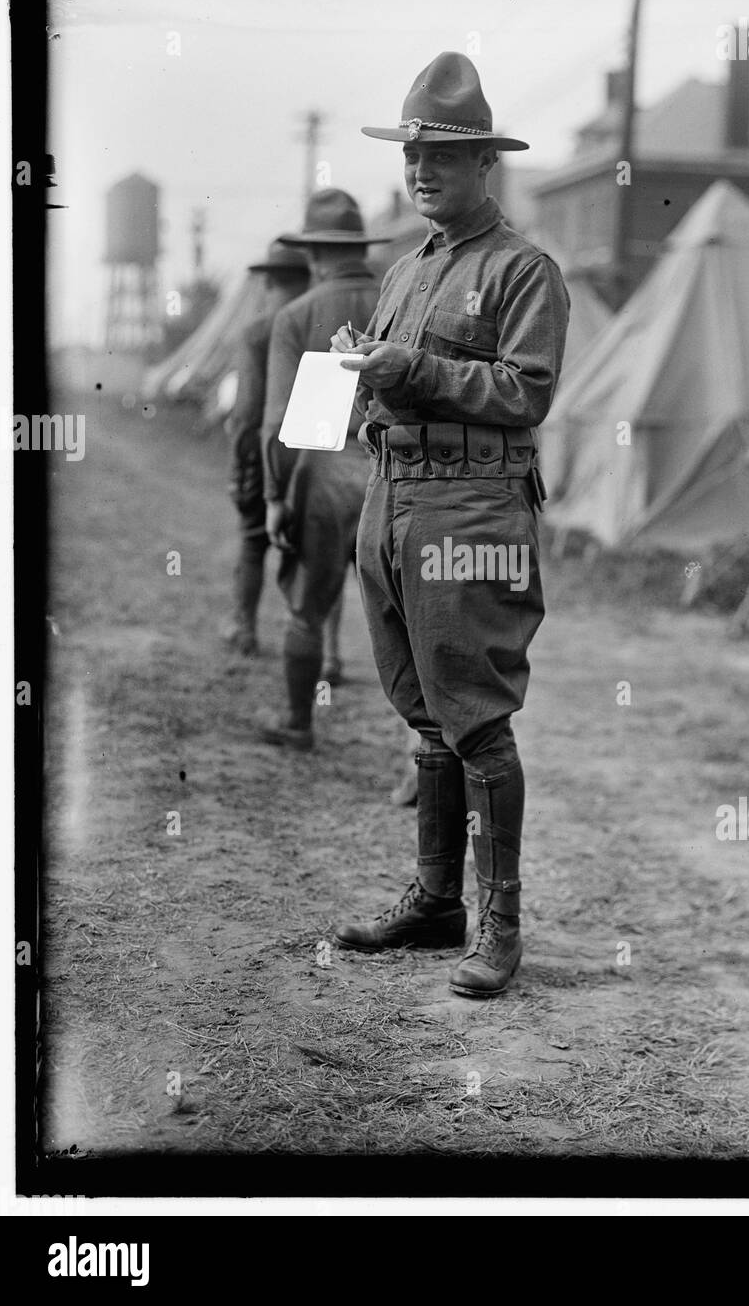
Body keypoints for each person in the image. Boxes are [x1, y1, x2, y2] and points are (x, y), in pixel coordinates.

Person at [330, 51, 570, 997]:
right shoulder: (403, 272)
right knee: (421, 710)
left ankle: (501, 923)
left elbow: (526, 392)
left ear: (485, 166)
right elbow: (393, 376)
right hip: (392, 500)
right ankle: (436, 902)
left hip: (471, 510)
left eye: (443, 155)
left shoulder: (524, 270)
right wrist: (362, 369)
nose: (423, 171)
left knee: (475, 717)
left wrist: (412, 372)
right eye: (413, 156)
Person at [256, 189, 389, 750]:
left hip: (323, 472)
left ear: (312, 254)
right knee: (405, 617)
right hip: (393, 472)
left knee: (307, 605)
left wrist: (274, 495)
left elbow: (281, 421)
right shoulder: (400, 297)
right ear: (360, 246)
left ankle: (298, 721)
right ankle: (421, 754)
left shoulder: (296, 314)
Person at [222, 240, 310, 656]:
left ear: (270, 280)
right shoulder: (318, 323)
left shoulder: (257, 330)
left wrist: (240, 463)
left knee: (253, 540)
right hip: (314, 453)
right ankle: (323, 650)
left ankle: (245, 629)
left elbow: (246, 410)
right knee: (313, 550)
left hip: (263, 449)